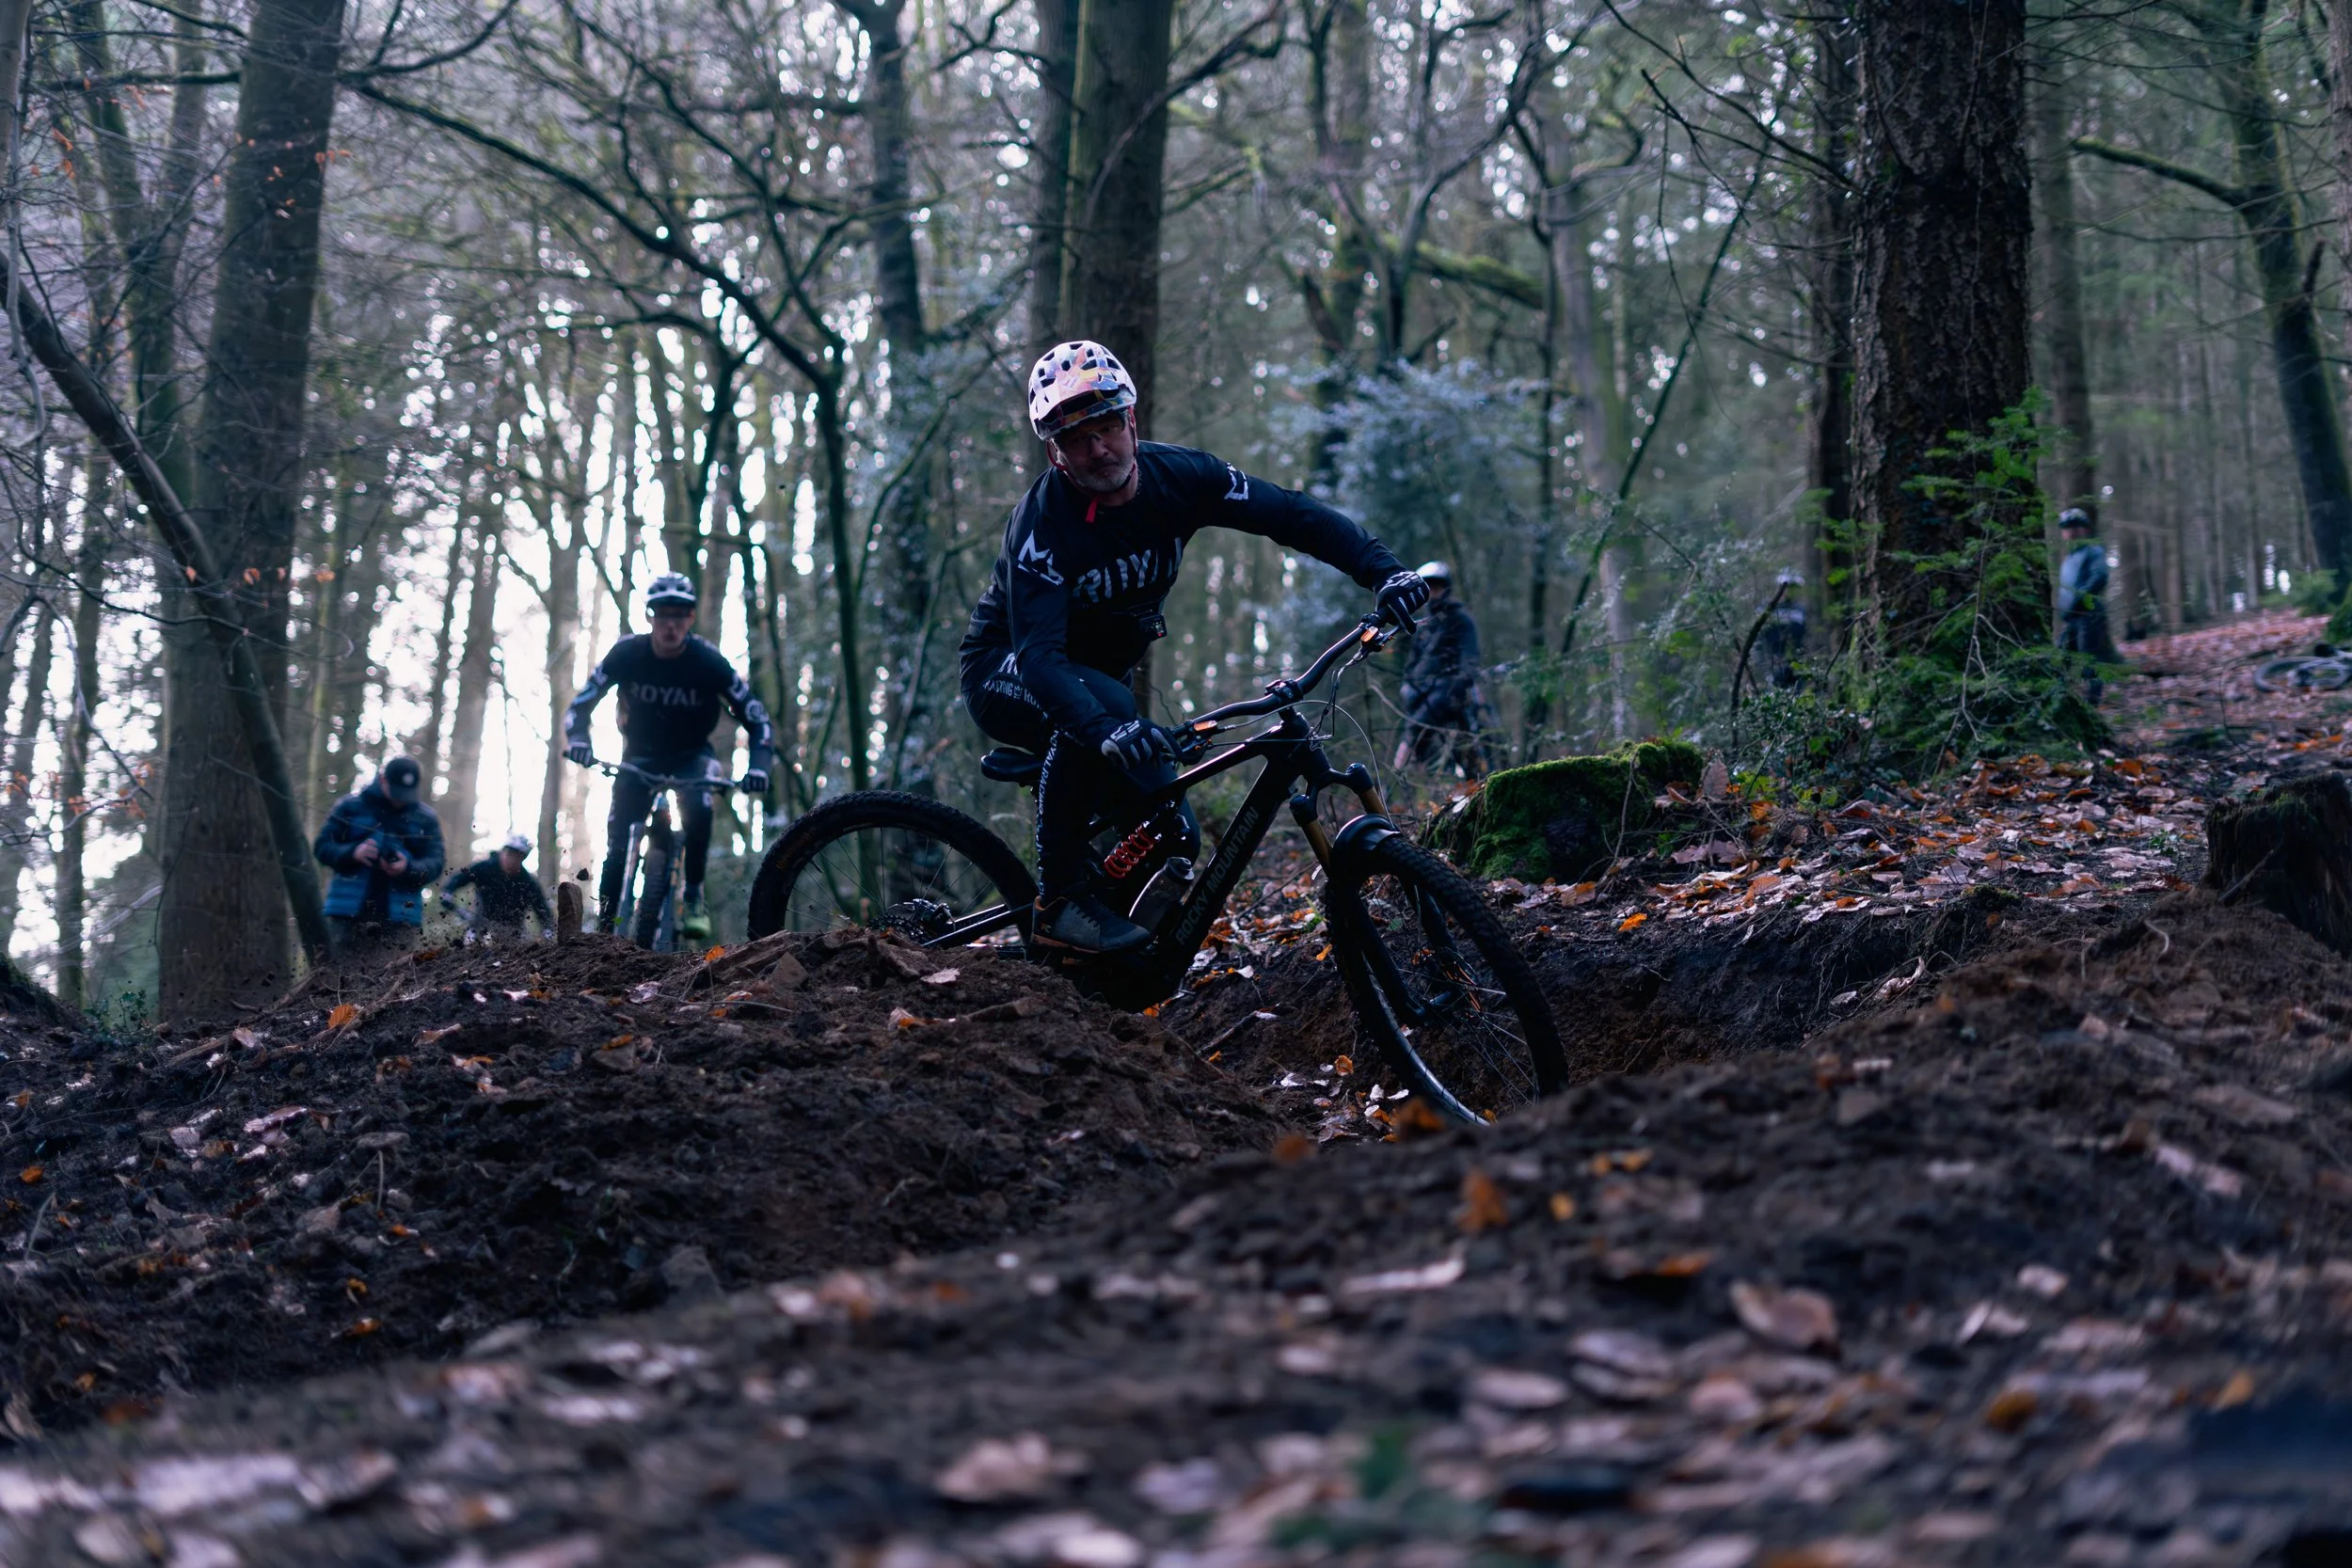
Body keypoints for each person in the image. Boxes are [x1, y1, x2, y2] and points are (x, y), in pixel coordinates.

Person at [960, 338, 1427, 956]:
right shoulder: (1043, 526)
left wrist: (1382, 569)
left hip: (1094, 685)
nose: (1098, 447)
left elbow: (1289, 515)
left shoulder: (1182, 478)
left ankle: (1099, 970)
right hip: (1008, 669)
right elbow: (1042, 660)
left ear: (1131, 418)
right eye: (1077, 438)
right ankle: (1059, 901)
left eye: (1105, 425)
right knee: (1099, 704)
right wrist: (1104, 727)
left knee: (1173, 833)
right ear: (1056, 453)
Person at [564, 574, 773, 941]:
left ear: (691, 618)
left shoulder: (709, 662)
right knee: (618, 839)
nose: (671, 624)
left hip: (692, 755)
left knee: (699, 806)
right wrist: (579, 740)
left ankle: (693, 893)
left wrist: (759, 766)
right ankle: (605, 928)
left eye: (680, 615)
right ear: (650, 617)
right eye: (662, 615)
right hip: (639, 756)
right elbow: (580, 705)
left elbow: (757, 718)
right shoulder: (627, 654)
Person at [313, 755, 447, 958]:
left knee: (395, 978)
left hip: (401, 919)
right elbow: (322, 847)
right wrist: (353, 853)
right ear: (383, 780)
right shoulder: (349, 807)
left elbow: (436, 862)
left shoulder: (426, 818)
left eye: (406, 794)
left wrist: (408, 868)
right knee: (338, 978)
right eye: (396, 792)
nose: (400, 799)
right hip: (347, 915)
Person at [1395, 562, 1486, 776]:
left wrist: (1458, 684)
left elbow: (1470, 657)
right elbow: (1413, 662)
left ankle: (1395, 777)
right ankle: (1415, 781)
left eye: (1437, 587)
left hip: (1449, 692)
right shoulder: (1424, 625)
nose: (1433, 592)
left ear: (1446, 589)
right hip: (1422, 692)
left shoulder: (1460, 620)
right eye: (1428, 588)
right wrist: (1408, 686)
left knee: (1418, 729)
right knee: (1420, 735)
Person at [443, 833, 553, 942]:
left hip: (514, 931)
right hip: (480, 925)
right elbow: (460, 877)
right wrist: (447, 892)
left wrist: (548, 930)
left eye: (517, 856)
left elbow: (543, 909)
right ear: (502, 852)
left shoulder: (529, 883)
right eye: (509, 853)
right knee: (471, 944)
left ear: (523, 859)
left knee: (524, 949)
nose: (512, 859)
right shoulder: (485, 868)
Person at [2057, 507, 2118, 703]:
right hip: (2072, 617)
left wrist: (2079, 599)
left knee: (2089, 658)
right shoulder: (2069, 558)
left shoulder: (2093, 551)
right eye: (2067, 527)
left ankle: (2093, 700)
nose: (2071, 531)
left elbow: (2099, 577)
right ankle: (2060, 695)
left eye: (2075, 526)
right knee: (2060, 657)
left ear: (2086, 529)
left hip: (2089, 615)